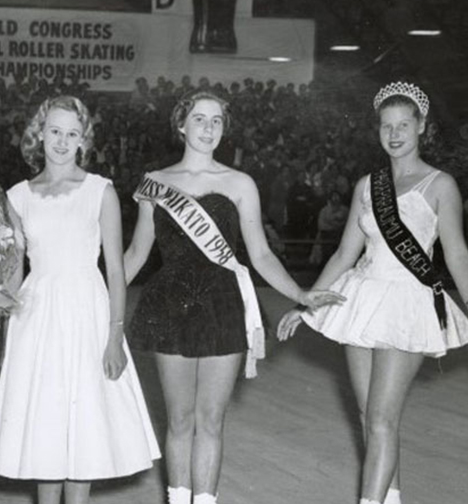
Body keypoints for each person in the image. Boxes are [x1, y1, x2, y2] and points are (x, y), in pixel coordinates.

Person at [278, 82, 468, 504]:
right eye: (386, 126)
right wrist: (303, 302)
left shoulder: (440, 185)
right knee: (370, 418)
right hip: (360, 299)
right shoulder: (367, 185)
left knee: (381, 419)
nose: (394, 133)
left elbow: (456, 254)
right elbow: (345, 253)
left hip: (406, 302)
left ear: (421, 128)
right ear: (377, 130)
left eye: (404, 125)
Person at [121, 89, 342, 504]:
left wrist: (300, 292)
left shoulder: (240, 183)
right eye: (200, 119)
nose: (208, 128)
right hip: (170, 306)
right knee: (180, 420)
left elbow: (259, 253)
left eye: (217, 121)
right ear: (181, 124)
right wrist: (99, 294)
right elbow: (135, 254)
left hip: (224, 305)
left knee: (210, 420)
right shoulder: (154, 183)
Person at [0, 96, 160, 504]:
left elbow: (115, 271)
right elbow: (15, 271)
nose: (61, 141)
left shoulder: (100, 191)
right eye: (54, 131)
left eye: (72, 133)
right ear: (39, 135)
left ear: (83, 141)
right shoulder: (17, 196)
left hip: (87, 313)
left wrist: (114, 335)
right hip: (37, 318)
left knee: (84, 423)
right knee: (45, 424)